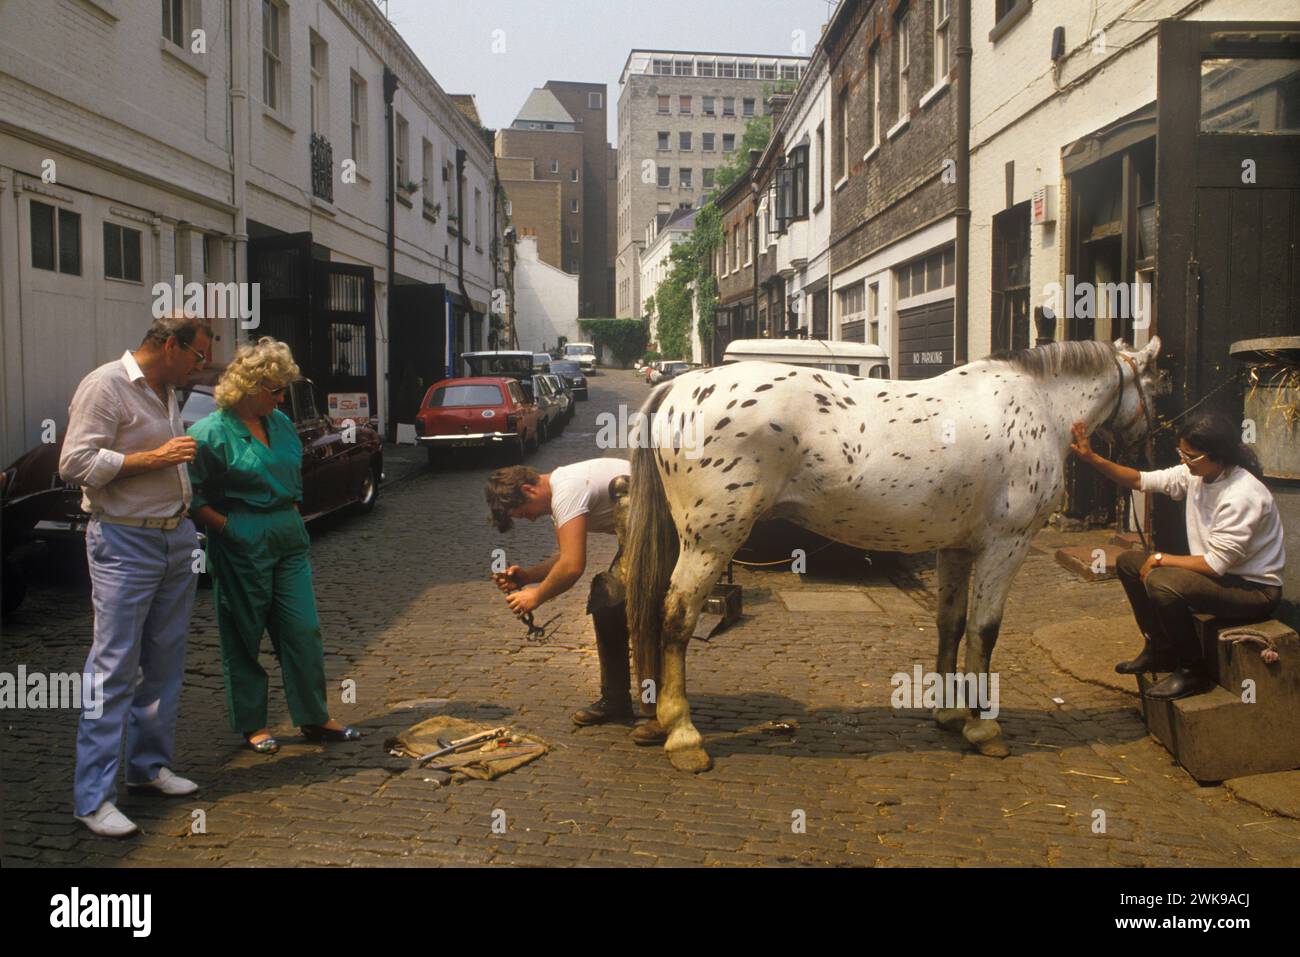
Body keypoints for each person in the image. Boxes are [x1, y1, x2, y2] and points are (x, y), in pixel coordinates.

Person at [60, 312, 213, 837]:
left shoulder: (165, 389)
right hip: (124, 540)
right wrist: (154, 458)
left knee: (165, 662)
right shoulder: (106, 385)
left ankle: (148, 769)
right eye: (197, 355)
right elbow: (74, 463)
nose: (202, 366)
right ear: (170, 345)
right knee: (113, 666)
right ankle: (92, 798)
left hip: (173, 537)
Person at [186, 338, 359, 753]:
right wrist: (228, 529)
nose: (283, 397)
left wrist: (292, 514)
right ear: (249, 387)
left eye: (284, 389)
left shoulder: (279, 424)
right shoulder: (209, 434)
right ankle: (252, 724)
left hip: (287, 536)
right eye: (275, 390)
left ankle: (313, 716)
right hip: (242, 540)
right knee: (243, 635)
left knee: (303, 630)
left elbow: (295, 479)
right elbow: (191, 496)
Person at [1071, 412, 1285, 699]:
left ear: (1217, 455)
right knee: (1128, 562)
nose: (1184, 460)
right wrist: (1092, 459)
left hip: (1254, 591)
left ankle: (1192, 671)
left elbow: (1215, 564)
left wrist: (1161, 558)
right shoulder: (1198, 472)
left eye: (1191, 455)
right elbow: (1141, 480)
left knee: (1162, 581)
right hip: (1223, 579)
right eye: (1181, 452)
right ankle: (1160, 649)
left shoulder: (1242, 495)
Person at [486, 459, 666, 744]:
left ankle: (660, 712)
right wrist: (528, 576)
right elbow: (565, 555)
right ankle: (616, 700)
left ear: (527, 490)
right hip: (640, 533)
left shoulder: (567, 489)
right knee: (607, 604)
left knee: (644, 617)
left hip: (661, 529)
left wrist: (536, 596)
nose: (529, 519)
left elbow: (572, 566)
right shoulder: (564, 488)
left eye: (523, 513)